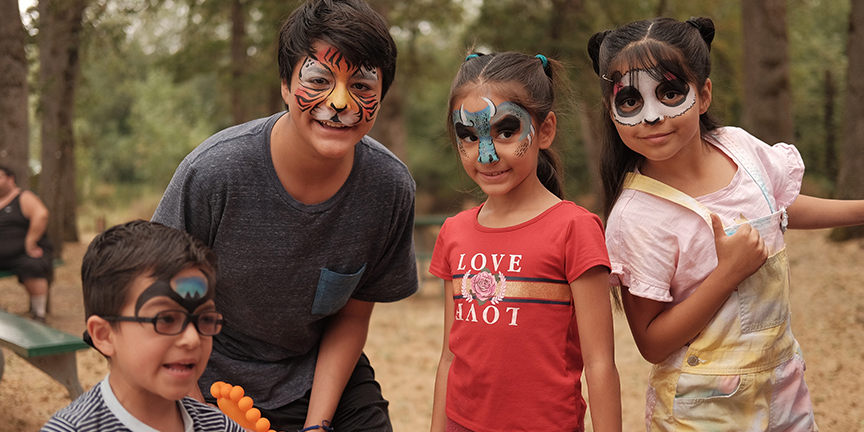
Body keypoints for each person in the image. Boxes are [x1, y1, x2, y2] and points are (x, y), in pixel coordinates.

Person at [587, 16, 864, 431]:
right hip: (702, 410)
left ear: (703, 94)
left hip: (784, 388)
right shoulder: (636, 216)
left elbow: (781, 206)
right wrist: (727, 273)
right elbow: (651, 342)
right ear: (611, 111)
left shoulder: (740, 148)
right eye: (629, 101)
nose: (651, 116)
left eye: (669, 93)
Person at [151, 0, 418, 430]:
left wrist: (317, 425)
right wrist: (200, 419)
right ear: (284, 83)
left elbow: (351, 317)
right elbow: (160, 301)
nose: (340, 102)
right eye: (318, 79)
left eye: (363, 85)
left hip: (317, 376)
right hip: (201, 374)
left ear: (382, 95)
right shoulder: (214, 173)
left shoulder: (389, 189)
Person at [429, 52, 622, 432]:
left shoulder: (575, 228)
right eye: (468, 136)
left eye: (506, 131)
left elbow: (600, 364)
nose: (485, 154)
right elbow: (450, 358)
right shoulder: (454, 232)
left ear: (545, 130)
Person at [41, 220, 244, 432]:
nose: (192, 339)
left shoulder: (220, 426)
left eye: (204, 319)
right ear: (104, 335)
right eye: (166, 319)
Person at [0, 164, 53, 323]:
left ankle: (39, 314)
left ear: (11, 179)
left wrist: (30, 241)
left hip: (24, 254)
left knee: (32, 266)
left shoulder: (24, 196)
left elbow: (41, 214)